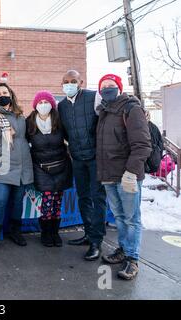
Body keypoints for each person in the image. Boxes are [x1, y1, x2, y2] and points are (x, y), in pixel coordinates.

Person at [96, 74, 151, 280]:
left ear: (119, 88)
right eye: (104, 86)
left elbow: (142, 145)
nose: (107, 88)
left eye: (111, 85)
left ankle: (132, 258)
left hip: (127, 176)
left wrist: (131, 172)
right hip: (109, 176)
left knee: (132, 218)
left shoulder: (131, 109)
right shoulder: (104, 111)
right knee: (119, 216)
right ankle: (123, 249)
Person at [58, 70, 107, 260]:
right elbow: (62, 132)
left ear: (81, 82)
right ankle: (88, 233)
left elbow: (109, 118)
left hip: (95, 158)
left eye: (73, 81)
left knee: (98, 197)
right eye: (65, 81)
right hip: (77, 159)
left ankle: (97, 241)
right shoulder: (61, 106)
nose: (69, 84)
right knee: (83, 197)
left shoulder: (94, 97)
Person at [0, 83, 34, 254]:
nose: (2, 95)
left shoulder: (20, 116)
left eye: (4, 92)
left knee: (18, 202)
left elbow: (25, 139)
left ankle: (15, 232)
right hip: (2, 167)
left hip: (22, 166)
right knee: (0, 202)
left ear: (11, 94)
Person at [26, 91, 72, 247]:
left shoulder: (59, 120)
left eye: (47, 102)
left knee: (57, 201)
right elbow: (23, 142)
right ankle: (46, 232)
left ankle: (55, 232)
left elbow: (71, 138)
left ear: (52, 105)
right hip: (41, 168)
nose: (43, 105)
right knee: (47, 201)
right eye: (40, 102)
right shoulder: (29, 122)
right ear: (35, 105)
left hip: (61, 166)